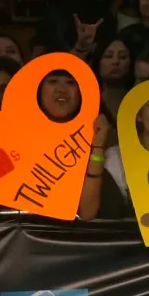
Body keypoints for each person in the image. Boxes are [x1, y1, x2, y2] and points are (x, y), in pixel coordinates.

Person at [36, 70, 113, 220]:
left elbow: (87, 213)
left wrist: (97, 147)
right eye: (53, 81)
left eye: (70, 83)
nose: (61, 89)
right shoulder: (20, 134)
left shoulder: (96, 133)